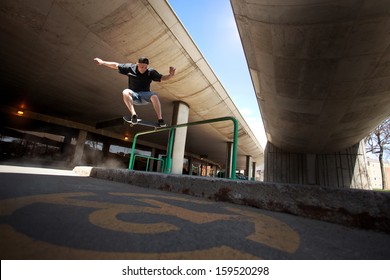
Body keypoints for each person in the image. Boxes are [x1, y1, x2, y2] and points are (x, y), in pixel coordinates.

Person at [94, 57, 176, 127]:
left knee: (154, 96)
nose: (143, 69)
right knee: (125, 92)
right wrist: (102, 62)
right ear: (137, 64)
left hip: (145, 96)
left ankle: (160, 119)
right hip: (134, 96)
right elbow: (116, 65)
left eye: (145, 67)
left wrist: (170, 75)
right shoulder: (130, 67)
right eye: (141, 67)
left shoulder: (151, 72)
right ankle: (134, 115)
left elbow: (162, 78)